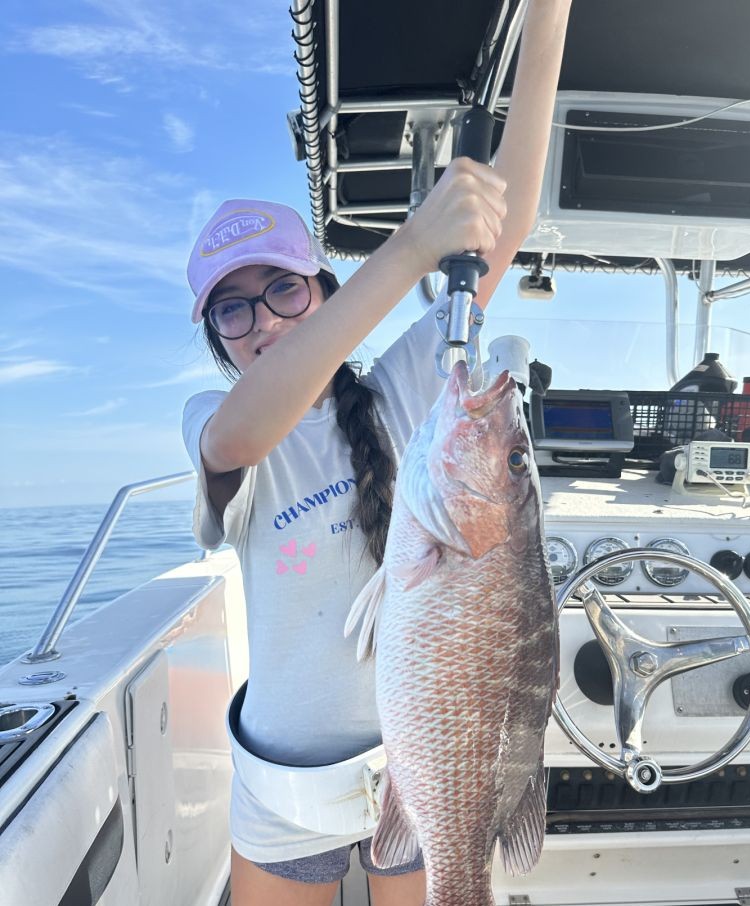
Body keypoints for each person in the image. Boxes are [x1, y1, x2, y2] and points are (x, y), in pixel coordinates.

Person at [182, 2, 572, 903]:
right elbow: (241, 434)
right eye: (232, 310)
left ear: (320, 288)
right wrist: (408, 247)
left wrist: (548, 23)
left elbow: (498, 229)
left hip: (421, 762)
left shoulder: (402, 392)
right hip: (284, 796)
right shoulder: (218, 420)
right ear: (215, 338)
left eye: (282, 288)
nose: (264, 321)